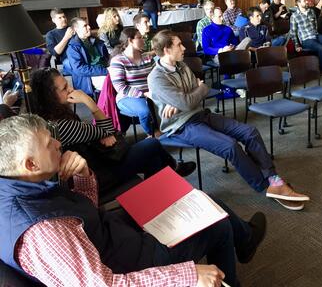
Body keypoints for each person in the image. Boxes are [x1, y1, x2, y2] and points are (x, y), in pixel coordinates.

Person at [0, 114, 267, 287]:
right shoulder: (45, 232)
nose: (58, 144)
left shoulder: (19, 185)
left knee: (192, 198)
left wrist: (82, 176)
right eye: (49, 143)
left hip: (110, 236)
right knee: (218, 226)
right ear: (31, 163)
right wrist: (189, 274)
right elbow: (106, 286)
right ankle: (240, 245)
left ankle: (243, 240)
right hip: (125, 261)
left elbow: (83, 217)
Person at [148, 30, 310, 211]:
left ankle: (273, 178)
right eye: (179, 45)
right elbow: (192, 96)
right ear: (167, 50)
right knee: (230, 146)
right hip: (182, 125)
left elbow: (199, 91)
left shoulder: (182, 65)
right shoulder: (156, 77)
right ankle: (264, 186)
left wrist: (185, 99)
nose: (184, 47)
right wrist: (190, 96)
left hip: (200, 114)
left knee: (250, 132)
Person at [30, 67, 196, 192]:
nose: (71, 89)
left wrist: (101, 133)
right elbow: (107, 128)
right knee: (152, 144)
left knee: (154, 160)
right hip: (95, 176)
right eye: (65, 88)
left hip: (94, 164)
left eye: (68, 84)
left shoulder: (46, 118)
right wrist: (89, 102)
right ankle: (171, 174)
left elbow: (99, 131)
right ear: (50, 96)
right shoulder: (63, 125)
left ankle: (160, 195)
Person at [109, 28, 157, 137]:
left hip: (150, 94)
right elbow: (120, 87)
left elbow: (157, 78)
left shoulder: (148, 58)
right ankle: (151, 134)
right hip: (128, 97)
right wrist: (143, 94)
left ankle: (165, 130)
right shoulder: (118, 60)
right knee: (145, 111)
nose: (143, 40)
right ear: (130, 41)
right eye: (139, 38)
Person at [66, 17, 109, 96]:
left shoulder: (96, 41)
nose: (89, 27)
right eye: (85, 26)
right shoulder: (73, 48)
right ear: (76, 29)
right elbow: (80, 69)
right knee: (112, 82)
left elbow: (106, 58)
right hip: (89, 77)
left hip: (105, 69)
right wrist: (106, 71)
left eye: (88, 25)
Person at [290, 0, 322, 72]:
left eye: (306, 0)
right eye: (304, 1)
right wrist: (297, 45)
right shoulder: (294, 16)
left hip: (316, 35)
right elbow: (293, 33)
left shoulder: (311, 11)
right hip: (306, 39)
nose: (307, 2)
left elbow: (315, 25)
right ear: (298, 3)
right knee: (321, 48)